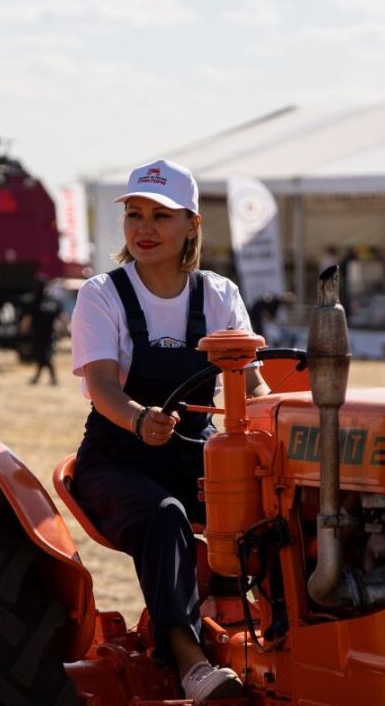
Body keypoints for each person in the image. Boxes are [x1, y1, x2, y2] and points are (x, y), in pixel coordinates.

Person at [70, 159, 269, 704]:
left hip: (196, 456)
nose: (144, 227)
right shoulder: (102, 294)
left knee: (278, 509)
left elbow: (252, 384)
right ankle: (189, 663)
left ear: (192, 226)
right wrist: (139, 419)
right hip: (116, 460)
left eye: (161, 215)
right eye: (134, 214)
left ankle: (279, 638)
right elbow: (102, 386)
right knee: (164, 515)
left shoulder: (219, 294)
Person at [20, 276, 65, 385]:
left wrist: (23, 330)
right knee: (43, 355)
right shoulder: (52, 300)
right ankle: (39, 377)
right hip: (50, 333)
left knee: (44, 355)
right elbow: (62, 316)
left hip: (39, 333)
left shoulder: (34, 300)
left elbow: (28, 318)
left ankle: (51, 378)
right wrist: (64, 330)